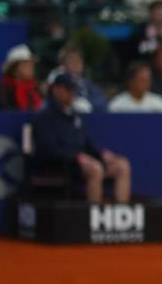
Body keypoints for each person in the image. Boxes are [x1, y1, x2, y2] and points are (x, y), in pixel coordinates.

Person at [32, 72, 131, 203]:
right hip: (60, 165)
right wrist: (76, 157)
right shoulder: (44, 117)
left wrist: (101, 154)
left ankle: (121, 213)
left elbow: (87, 143)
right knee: (96, 169)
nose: (71, 93)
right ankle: (94, 216)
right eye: (68, 89)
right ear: (56, 90)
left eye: (73, 90)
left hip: (81, 162)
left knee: (122, 165)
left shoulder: (75, 116)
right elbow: (48, 149)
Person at [0, 44, 44, 111]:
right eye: (26, 64)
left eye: (31, 64)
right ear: (14, 70)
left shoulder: (35, 88)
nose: (31, 67)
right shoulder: (4, 90)